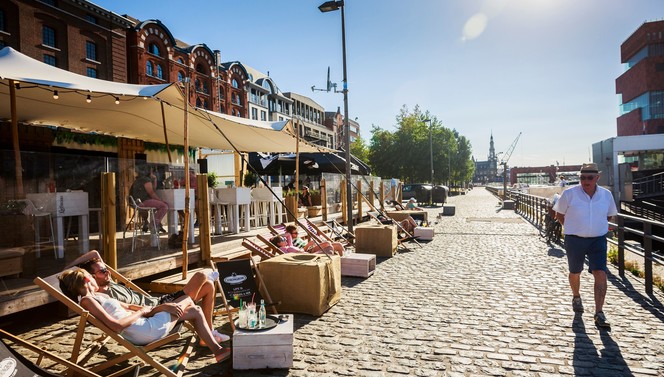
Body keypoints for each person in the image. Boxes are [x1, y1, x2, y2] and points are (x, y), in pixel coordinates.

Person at [58, 268, 230, 362]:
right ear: (88, 279)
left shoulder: (99, 296)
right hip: (144, 330)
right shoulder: (87, 301)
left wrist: (156, 308)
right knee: (189, 298)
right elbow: (116, 326)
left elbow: (130, 306)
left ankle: (217, 350)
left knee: (195, 310)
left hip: (146, 323)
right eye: (91, 276)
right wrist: (146, 311)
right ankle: (210, 279)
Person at [66, 250, 228, 344]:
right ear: (92, 278)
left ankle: (209, 334)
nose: (107, 271)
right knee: (201, 276)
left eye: (106, 269)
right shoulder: (101, 295)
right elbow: (69, 272)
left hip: (159, 301)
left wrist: (98, 269)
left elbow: (94, 253)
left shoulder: (110, 281)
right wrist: (72, 271)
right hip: (159, 310)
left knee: (207, 286)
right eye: (102, 271)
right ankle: (210, 335)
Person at [553, 162, 617, 328]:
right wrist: (572, 228)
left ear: (597, 177)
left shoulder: (606, 195)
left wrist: (595, 226)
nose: (585, 181)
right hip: (575, 239)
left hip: (598, 239)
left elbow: (609, 216)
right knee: (575, 271)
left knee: (601, 273)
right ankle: (576, 296)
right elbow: (559, 214)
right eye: (582, 177)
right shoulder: (570, 194)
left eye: (589, 177)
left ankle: (599, 313)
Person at [130, 164, 168, 233]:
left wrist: (155, 179)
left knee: (158, 206)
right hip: (143, 201)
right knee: (164, 206)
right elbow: (152, 193)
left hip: (138, 203)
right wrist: (160, 201)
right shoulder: (145, 180)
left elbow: (152, 189)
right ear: (149, 171)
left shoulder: (139, 180)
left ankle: (154, 223)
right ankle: (154, 224)